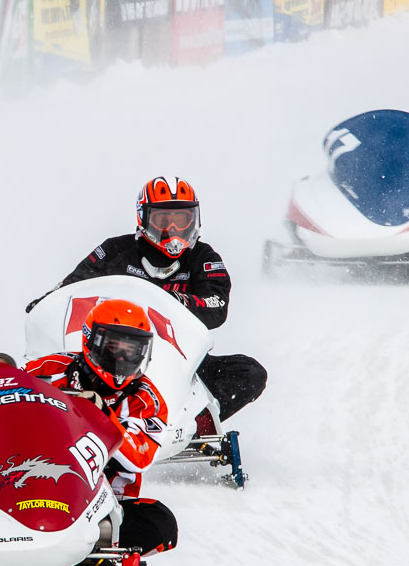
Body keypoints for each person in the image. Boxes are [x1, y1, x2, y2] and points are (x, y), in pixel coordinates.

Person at [27, 176, 267, 427]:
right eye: (164, 221)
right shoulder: (114, 250)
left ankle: (197, 421)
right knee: (49, 364)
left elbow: (217, 306)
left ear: (194, 219)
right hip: (112, 349)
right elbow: (73, 285)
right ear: (144, 218)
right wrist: (46, 302)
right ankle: (56, 407)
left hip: (178, 356)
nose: (173, 230)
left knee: (250, 373)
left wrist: (174, 301)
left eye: (181, 220)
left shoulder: (203, 257)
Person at [24, 299, 177, 556]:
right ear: (90, 341)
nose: (122, 357)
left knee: (161, 524)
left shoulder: (147, 399)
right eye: (114, 346)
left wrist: (103, 415)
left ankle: (87, 544)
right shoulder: (52, 368)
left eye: (132, 350)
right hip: (33, 482)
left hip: (102, 504)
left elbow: (139, 459)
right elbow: (9, 387)